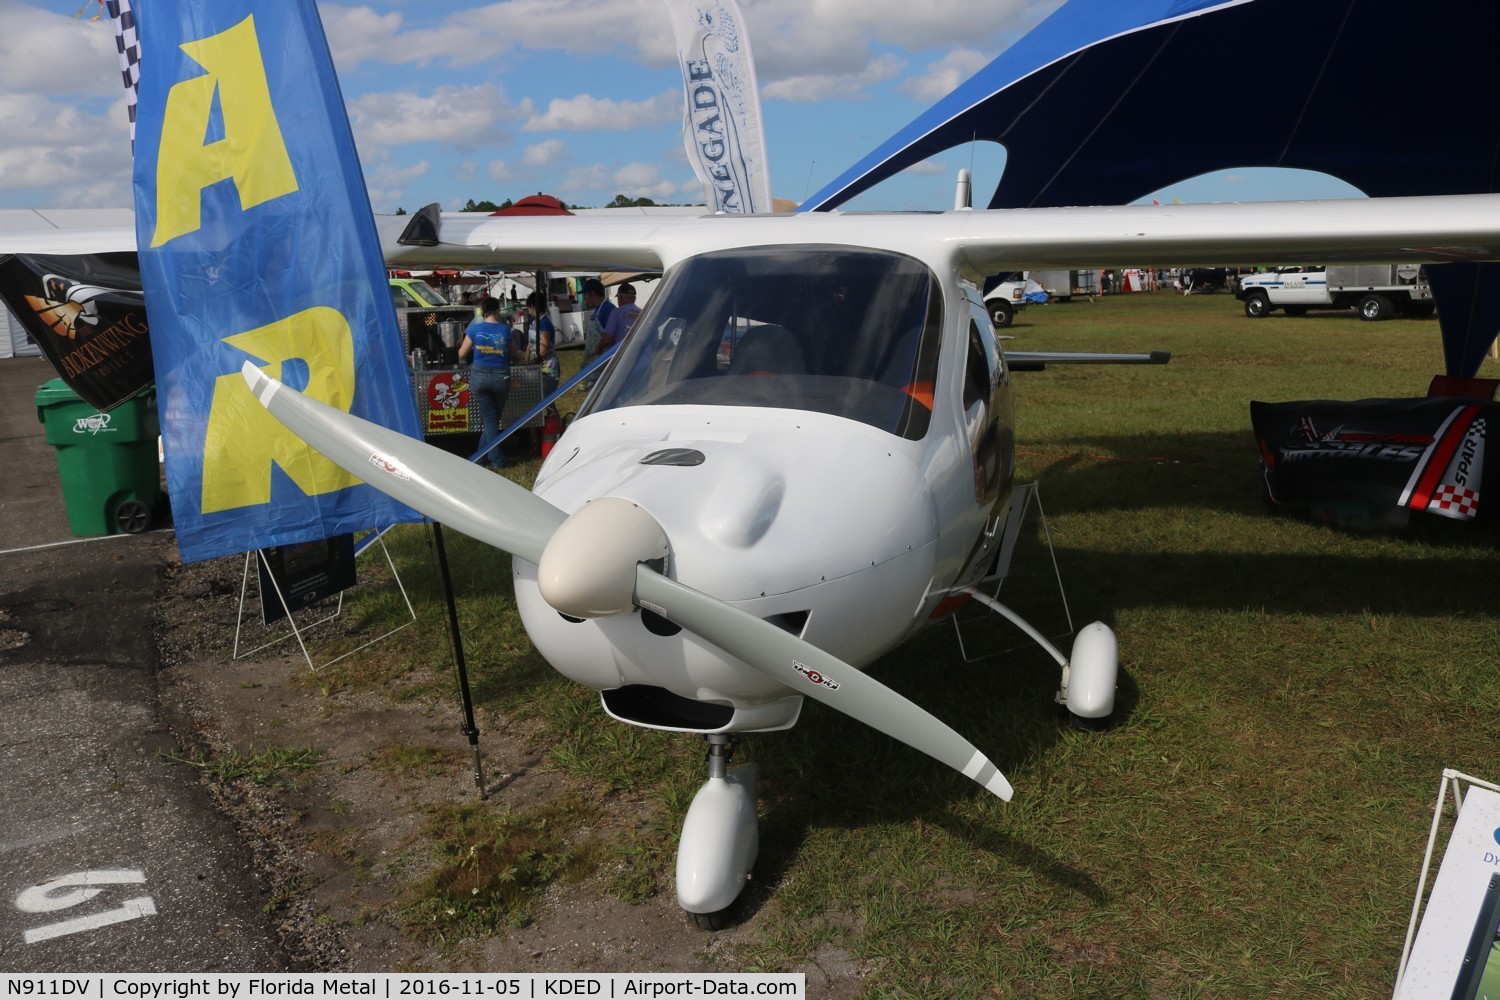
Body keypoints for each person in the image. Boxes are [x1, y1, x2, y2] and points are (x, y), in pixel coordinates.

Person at [458, 296, 523, 469]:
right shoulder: (505, 330)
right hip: (501, 378)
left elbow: (461, 353)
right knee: (492, 420)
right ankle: (497, 459)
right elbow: (515, 355)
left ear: (483, 313)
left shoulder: (474, 329)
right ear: (497, 311)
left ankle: (479, 459)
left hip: (479, 377)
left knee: (490, 420)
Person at [525, 290, 561, 399]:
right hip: (536, 365)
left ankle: (553, 416)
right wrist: (526, 360)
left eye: (528, 307)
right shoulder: (534, 323)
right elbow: (530, 343)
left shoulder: (545, 323)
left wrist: (534, 361)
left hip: (548, 367)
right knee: (538, 398)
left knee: (547, 400)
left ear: (532, 306)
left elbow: (544, 349)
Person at [580, 277, 615, 374]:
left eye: (585, 294)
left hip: (603, 362)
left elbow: (610, 337)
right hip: (594, 362)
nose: (585, 298)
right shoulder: (597, 309)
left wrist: (598, 348)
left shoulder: (608, 310)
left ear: (592, 293)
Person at [601, 282, 641, 355]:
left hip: (623, 357)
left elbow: (607, 339)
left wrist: (598, 348)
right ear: (634, 298)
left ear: (621, 297)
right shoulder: (643, 312)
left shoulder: (616, 312)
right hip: (640, 356)